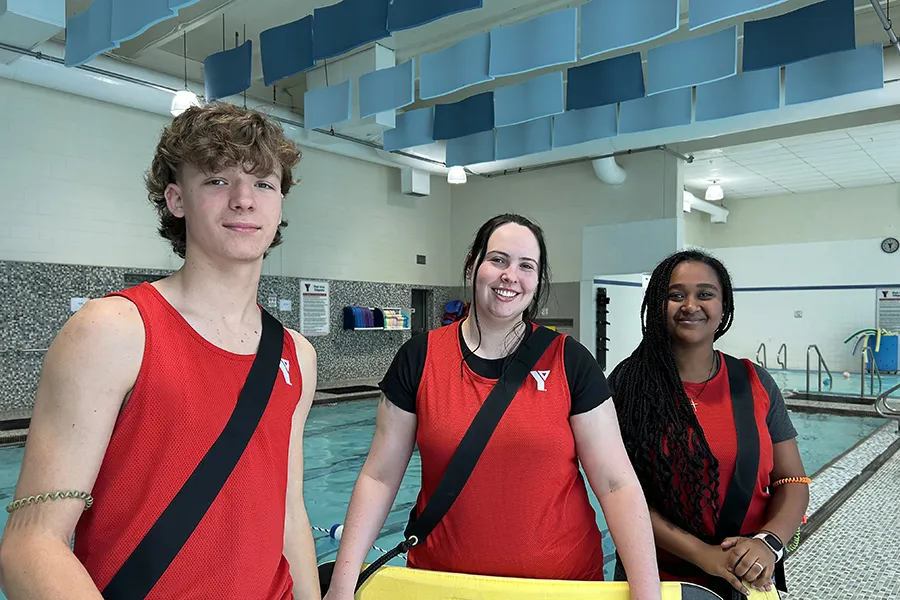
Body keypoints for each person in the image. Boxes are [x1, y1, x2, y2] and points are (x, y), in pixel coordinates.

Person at [0, 103, 320, 600]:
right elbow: (31, 543)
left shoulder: (297, 355)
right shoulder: (113, 331)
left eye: (263, 184)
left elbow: (288, 513)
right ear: (176, 199)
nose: (243, 200)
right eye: (216, 180)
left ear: (279, 204)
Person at [323, 214, 662, 600]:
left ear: (538, 279)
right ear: (473, 264)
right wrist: (342, 586)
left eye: (526, 266)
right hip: (443, 584)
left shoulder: (570, 361)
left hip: (560, 586)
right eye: (498, 260)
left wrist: (646, 591)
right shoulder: (419, 358)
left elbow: (616, 484)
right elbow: (380, 477)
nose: (510, 276)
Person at [608, 249, 810, 599]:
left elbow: (792, 479)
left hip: (748, 575)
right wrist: (703, 555)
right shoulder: (628, 385)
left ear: (723, 306)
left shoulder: (754, 382)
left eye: (705, 294)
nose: (690, 305)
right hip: (657, 578)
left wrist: (768, 543)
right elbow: (620, 495)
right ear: (657, 305)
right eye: (675, 295)